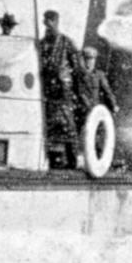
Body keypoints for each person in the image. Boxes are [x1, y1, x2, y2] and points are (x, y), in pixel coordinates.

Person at [39, 9, 84, 169]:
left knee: (68, 125)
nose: (47, 26)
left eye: (50, 22)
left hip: (63, 90)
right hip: (47, 90)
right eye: (45, 23)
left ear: (56, 22)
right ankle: (50, 160)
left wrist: (77, 92)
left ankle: (72, 161)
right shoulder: (42, 44)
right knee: (48, 125)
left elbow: (78, 69)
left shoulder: (66, 43)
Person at [73, 45, 118, 137]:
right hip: (80, 111)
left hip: (94, 111)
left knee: (94, 136)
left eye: (92, 59)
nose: (90, 62)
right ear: (83, 60)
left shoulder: (99, 75)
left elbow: (107, 92)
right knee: (78, 136)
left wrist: (113, 105)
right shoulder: (77, 75)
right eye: (88, 59)